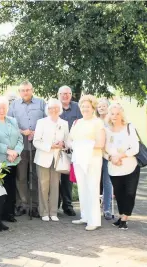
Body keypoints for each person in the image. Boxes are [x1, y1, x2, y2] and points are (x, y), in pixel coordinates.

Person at [7, 81, 46, 218]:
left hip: (37, 146)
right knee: (21, 176)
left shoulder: (41, 103)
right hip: (20, 145)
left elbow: (47, 122)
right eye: (23, 90)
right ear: (19, 91)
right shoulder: (14, 105)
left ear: (32, 90)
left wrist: (37, 131)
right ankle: (22, 204)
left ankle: (34, 206)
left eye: (28, 90)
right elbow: (9, 124)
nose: (25, 92)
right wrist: (21, 131)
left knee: (35, 176)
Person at [68, 95, 105, 231]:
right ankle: (84, 216)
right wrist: (73, 144)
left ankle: (94, 220)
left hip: (93, 159)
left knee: (92, 188)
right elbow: (70, 139)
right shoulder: (77, 122)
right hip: (79, 159)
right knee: (82, 188)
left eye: (87, 106)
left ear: (93, 107)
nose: (85, 109)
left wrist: (83, 145)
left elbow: (100, 143)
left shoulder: (97, 123)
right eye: (83, 106)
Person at [32, 98, 69, 222]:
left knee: (55, 185)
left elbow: (68, 141)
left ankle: (53, 212)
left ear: (60, 109)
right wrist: (50, 146)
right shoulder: (41, 122)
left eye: (56, 108)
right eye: (51, 108)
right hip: (43, 157)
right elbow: (36, 141)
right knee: (43, 185)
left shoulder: (64, 123)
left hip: (58, 158)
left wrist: (62, 143)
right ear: (47, 109)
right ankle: (43, 212)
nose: (53, 110)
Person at [104, 103, 140, 230]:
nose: (115, 116)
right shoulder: (107, 131)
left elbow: (135, 148)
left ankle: (125, 219)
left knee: (129, 193)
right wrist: (111, 158)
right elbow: (104, 151)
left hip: (131, 167)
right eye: (112, 113)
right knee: (119, 194)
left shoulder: (129, 127)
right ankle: (121, 216)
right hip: (114, 168)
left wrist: (120, 156)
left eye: (117, 113)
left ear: (122, 114)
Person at [57, 86, 81, 216]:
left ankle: (68, 205)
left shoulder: (78, 108)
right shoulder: (54, 106)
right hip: (55, 148)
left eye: (68, 93)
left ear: (71, 95)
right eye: (62, 93)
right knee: (55, 178)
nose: (65, 96)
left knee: (67, 178)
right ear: (58, 95)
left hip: (71, 149)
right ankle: (55, 205)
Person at [96, 98, 113, 220]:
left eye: (103, 106)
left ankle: (107, 208)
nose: (101, 108)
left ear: (108, 107)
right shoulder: (95, 121)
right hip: (96, 155)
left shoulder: (111, 122)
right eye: (99, 106)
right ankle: (95, 207)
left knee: (108, 183)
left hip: (107, 156)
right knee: (95, 181)